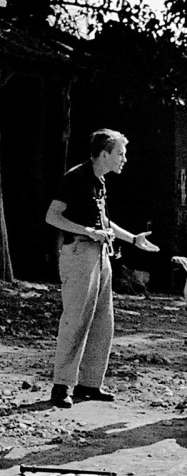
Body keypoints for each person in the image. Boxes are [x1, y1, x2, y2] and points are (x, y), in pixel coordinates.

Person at [44, 129, 159, 409]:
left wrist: (132, 239)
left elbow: (103, 220)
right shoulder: (75, 177)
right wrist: (88, 231)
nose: (125, 159)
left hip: (101, 254)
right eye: (120, 153)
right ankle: (62, 385)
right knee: (75, 319)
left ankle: (90, 383)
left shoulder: (100, 181)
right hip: (79, 252)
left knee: (102, 322)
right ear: (104, 153)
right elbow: (52, 216)